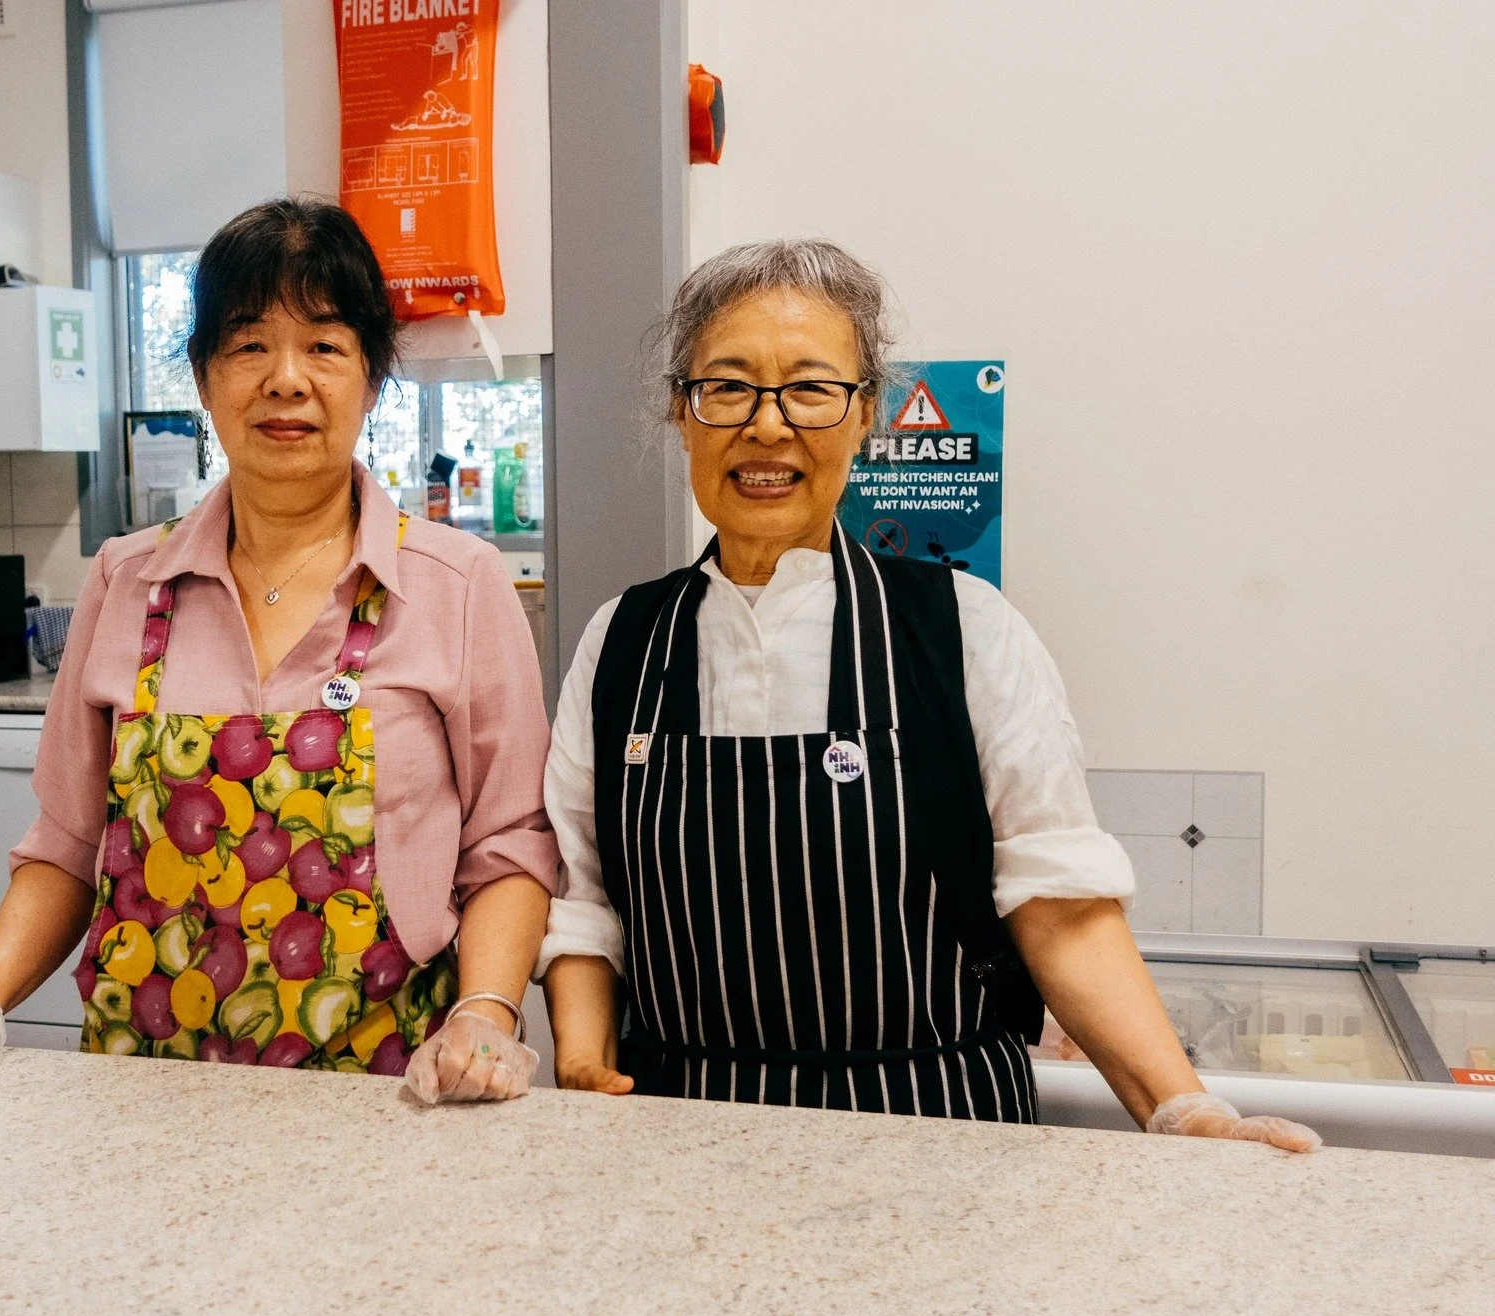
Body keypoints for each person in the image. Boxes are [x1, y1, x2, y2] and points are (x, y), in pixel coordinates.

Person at [538, 239, 1318, 1151]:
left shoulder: (964, 629)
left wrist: (1180, 1107)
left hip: (936, 1128)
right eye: (730, 386)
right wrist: (583, 1061)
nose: (767, 425)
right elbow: (586, 903)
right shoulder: (623, 639)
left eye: (811, 388)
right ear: (681, 410)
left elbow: (1059, 903)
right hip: (680, 1125)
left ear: (867, 412)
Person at [0, 199, 554, 1103]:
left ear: (372, 375)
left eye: (324, 345)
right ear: (202, 375)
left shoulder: (459, 584)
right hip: (141, 1102)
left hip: (388, 1103)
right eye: (247, 345)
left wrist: (485, 1012)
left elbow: (507, 844)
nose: (285, 379)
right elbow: (68, 844)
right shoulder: (125, 581)